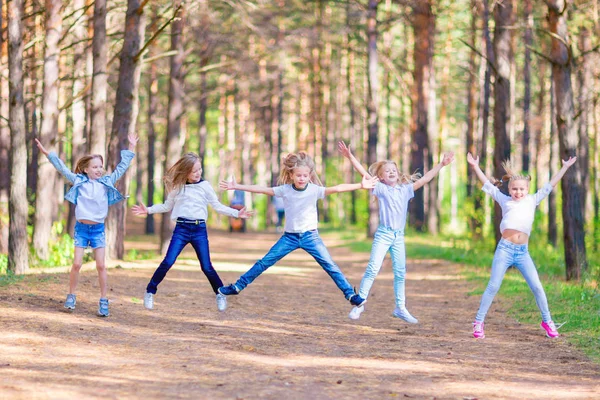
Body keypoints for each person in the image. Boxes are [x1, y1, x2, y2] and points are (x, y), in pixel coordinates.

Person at [217, 151, 378, 307]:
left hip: (311, 237)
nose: (302, 178)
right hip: (289, 237)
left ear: (310, 175)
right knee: (264, 262)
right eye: (298, 175)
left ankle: (350, 295)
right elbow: (261, 189)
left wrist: (360, 185)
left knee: (330, 266)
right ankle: (237, 286)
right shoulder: (285, 190)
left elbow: (337, 188)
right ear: (291, 175)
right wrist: (237, 186)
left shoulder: (315, 190)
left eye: (305, 175)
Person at [338, 141, 454, 323]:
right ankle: (359, 304)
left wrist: (441, 164)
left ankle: (400, 308)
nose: (391, 172)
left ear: (398, 174)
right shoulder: (381, 189)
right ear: (381, 177)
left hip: (398, 236)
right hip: (384, 234)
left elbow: (424, 179)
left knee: (400, 272)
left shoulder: (405, 190)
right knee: (373, 268)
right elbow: (364, 174)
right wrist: (350, 156)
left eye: (394, 169)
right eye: (387, 171)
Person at [467, 152, 576, 339]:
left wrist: (565, 167)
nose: (518, 192)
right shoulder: (504, 200)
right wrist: (476, 166)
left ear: (527, 189)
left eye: (522, 189)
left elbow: (551, 184)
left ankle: (547, 320)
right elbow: (487, 185)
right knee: (493, 286)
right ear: (509, 190)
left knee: (537, 287)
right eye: (515, 189)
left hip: (522, 253)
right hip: (505, 249)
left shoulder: (532, 200)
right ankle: (478, 322)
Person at [132, 153, 252, 312]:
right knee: (167, 261)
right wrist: (148, 210)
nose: (198, 173)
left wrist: (237, 214)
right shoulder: (178, 188)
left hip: (199, 230)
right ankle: (150, 291)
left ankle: (220, 293)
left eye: (200, 169)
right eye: (194, 171)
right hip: (181, 229)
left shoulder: (205, 186)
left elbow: (217, 206)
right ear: (185, 172)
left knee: (207, 266)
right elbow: (167, 206)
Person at [35, 134, 138, 317]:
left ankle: (104, 300)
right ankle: (71, 296)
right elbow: (62, 168)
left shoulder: (106, 183)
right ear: (86, 169)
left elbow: (121, 168)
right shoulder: (79, 181)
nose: (99, 170)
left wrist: (131, 148)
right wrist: (46, 153)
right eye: (95, 167)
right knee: (76, 264)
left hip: (98, 230)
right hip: (82, 229)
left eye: (100, 166)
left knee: (101, 266)